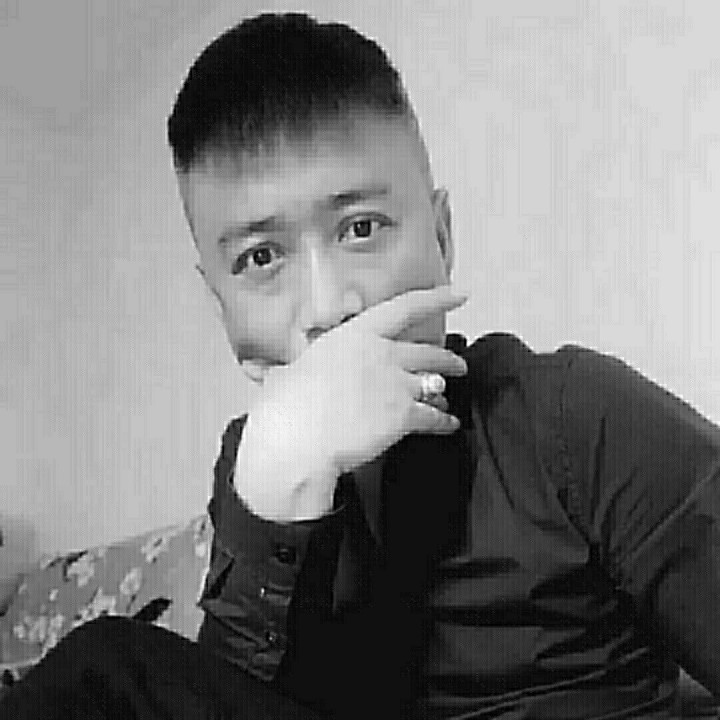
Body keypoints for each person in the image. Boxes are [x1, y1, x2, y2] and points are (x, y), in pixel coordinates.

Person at [2, 11, 720, 720]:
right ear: (223, 310)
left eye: (361, 229)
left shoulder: (572, 415)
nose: (328, 309)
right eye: (261, 257)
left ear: (442, 239)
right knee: (104, 674)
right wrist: (272, 508)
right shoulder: (249, 464)